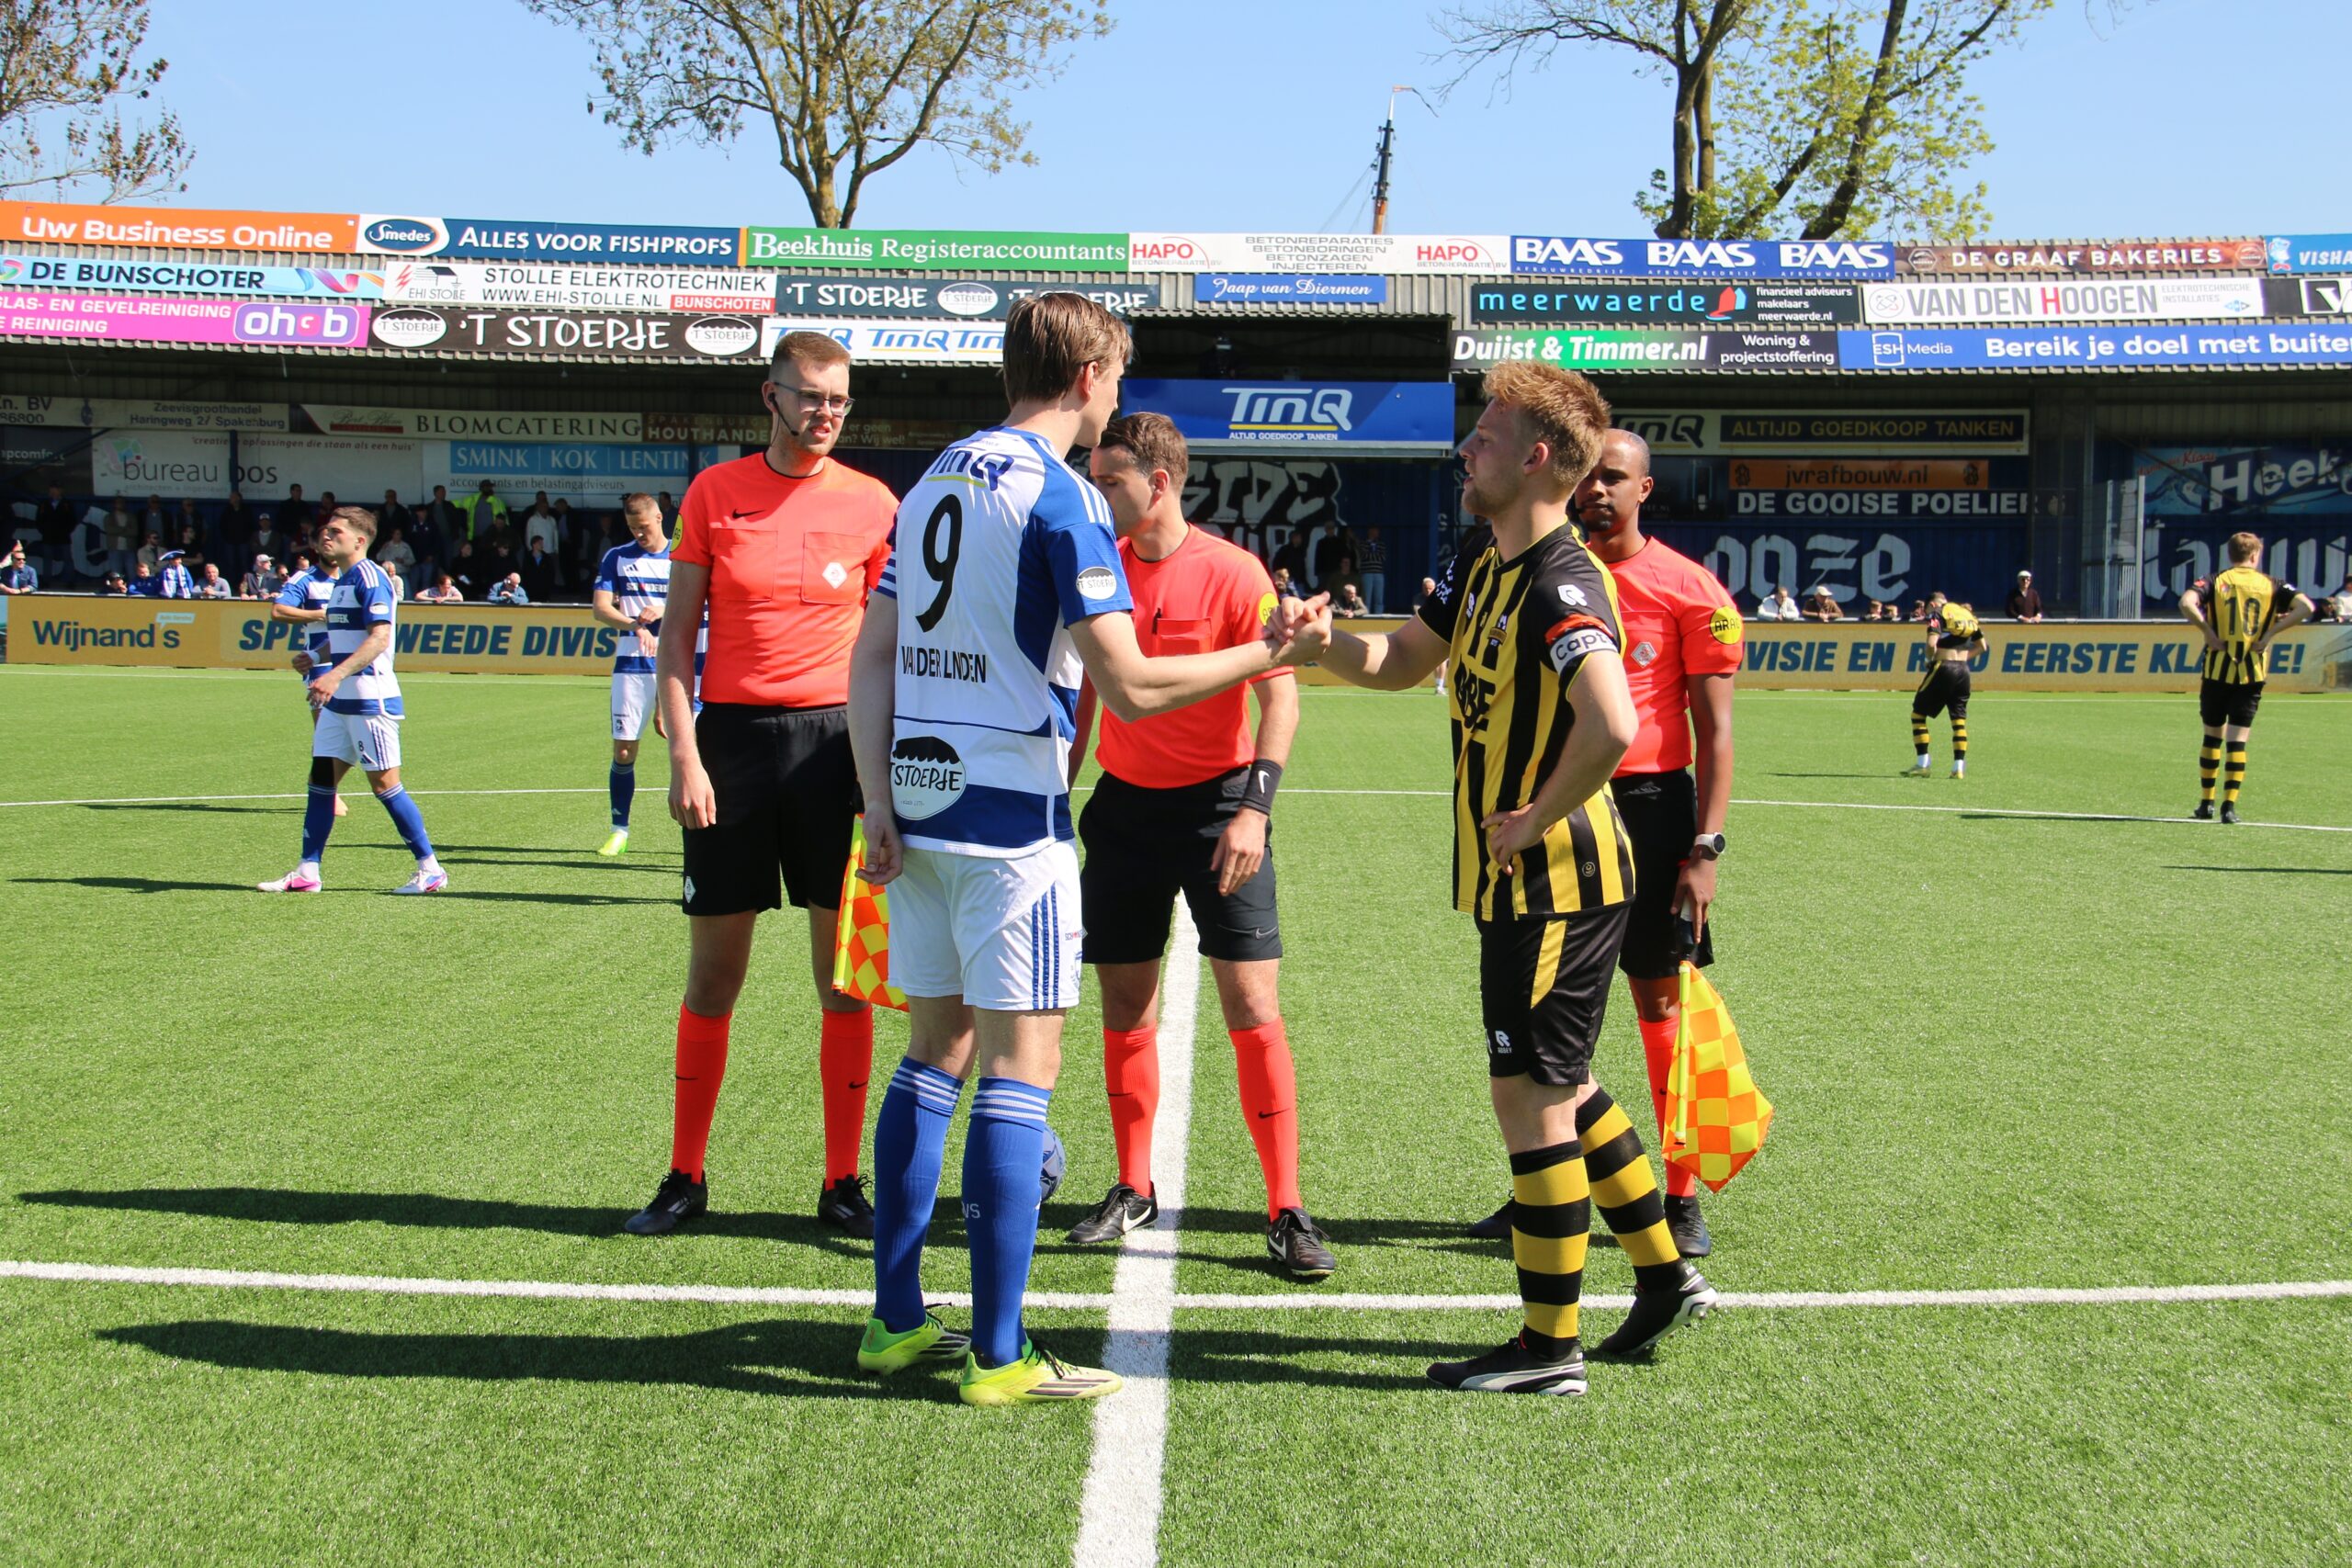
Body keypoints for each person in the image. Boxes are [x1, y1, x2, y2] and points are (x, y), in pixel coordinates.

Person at [845, 293, 1326, 1404]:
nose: (1115, 395)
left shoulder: (934, 479)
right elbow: (1133, 686)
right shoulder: (1059, 495)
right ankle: (999, 1355)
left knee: (931, 1054)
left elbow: (869, 657)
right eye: (1115, 374)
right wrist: (1268, 651)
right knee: (1019, 1071)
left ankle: (894, 1320)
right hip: (1010, 816)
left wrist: (873, 801)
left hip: (916, 802)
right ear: (1087, 375)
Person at [1294, 361, 1714, 1394]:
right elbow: (1401, 662)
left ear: (1536, 458)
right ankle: (1663, 1275)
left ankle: (1548, 1348)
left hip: (1560, 882)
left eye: (1483, 435)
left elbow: (1612, 722)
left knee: (1529, 1098)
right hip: (1517, 883)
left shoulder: (1565, 580)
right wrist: (1319, 645)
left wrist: (1534, 816)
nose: (1464, 448)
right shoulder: (1481, 558)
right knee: (1563, 1082)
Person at [622, 330, 897, 1247]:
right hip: (731, 747)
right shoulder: (714, 492)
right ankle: (684, 1174)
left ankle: (842, 1181)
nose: (826, 413)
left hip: (837, 752)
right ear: (770, 396)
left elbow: (891, 646)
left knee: (843, 983)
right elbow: (676, 640)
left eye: (839, 399)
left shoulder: (875, 503)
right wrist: (685, 756)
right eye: (811, 395)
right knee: (713, 977)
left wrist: (880, 775)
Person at [1062, 412, 1336, 1279]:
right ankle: (1133, 1185)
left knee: (1252, 1006)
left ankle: (1286, 1207)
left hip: (1221, 809)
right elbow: (1088, 698)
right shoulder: (1097, 566)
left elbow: (1280, 697)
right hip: (1124, 813)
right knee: (1125, 1006)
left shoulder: (1232, 570)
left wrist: (1254, 810)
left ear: (1159, 482)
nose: (1099, 495)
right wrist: (1056, 789)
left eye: (1110, 480)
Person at [1467, 429, 1738, 1259]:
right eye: (1589, 475)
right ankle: (1546, 1184)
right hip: (1563, 806)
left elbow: (1716, 732)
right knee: (1547, 1024)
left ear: (1644, 489)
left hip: (1651, 810)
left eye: (1615, 477)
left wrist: (1705, 847)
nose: (1597, 490)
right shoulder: (1539, 567)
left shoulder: (1690, 589)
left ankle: (1678, 1196)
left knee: (1660, 1006)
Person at [256, 507, 446, 896]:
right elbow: (345, 633)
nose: (325, 536)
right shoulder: (341, 581)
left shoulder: (371, 577)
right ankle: (308, 871)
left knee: (385, 784)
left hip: (369, 699)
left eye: (335, 531)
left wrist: (334, 674)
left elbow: (379, 638)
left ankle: (430, 869)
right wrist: (316, 655)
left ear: (360, 540)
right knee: (320, 781)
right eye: (325, 530)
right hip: (339, 701)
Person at [589, 492, 703, 857]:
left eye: (643, 526)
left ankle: (702, 836)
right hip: (633, 666)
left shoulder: (681, 556)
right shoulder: (617, 557)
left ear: (658, 519)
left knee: (696, 751)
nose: (639, 533)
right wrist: (634, 625)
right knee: (624, 749)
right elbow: (601, 609)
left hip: (683, 665)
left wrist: (666, 608)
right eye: (632, 527)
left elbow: (705, 601)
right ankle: (619, 829)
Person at [2179, 532, 2312, 823]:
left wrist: (2208, 632)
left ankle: (2206, 803)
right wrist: (2270, 633)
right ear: (2255, 555)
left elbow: (2187, 602)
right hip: (2252, 672)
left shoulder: (2215, 580)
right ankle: (2229, 807)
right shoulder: (2272, 584)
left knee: (2212, 736)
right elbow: (2307, 607)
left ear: (2230, 554)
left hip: (2216, 669)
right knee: (2238, 741)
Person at [275, 550, 348, 819]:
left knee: (347, 732)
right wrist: (319, 614)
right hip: (319, 662)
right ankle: (327, 791)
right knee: (326, 731)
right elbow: (278, 610)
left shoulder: (351, 578)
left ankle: (323, 785)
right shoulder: (305, 579)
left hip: (349, 662)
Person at [1908, 600, 1984, 779]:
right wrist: (1963, 659)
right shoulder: (1966, 616)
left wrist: (1929, 660)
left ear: (1933, 604)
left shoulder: (1938, 614)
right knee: (1958, 721)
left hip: (1943, 667)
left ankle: (1923, 764)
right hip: (1963, 670)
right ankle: (1958, 768)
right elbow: (1982, 646)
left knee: (1918, 715)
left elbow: (1931, 644)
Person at [36, 483, 78, 582]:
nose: (53, 493)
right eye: (51, 491)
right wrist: (44, 531)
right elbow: (38, 519)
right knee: (47, 559)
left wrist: (66, 531)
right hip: (48, 536)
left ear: (60, 491)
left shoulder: (67, 504)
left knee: (67, 559)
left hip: (63, 536)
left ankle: (70, 581)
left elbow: (72, 520)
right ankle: (46, 581)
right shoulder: (44, 504)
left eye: (55, 490)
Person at [457, 479, 507, 545]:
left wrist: (505, 535)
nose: (488, 488)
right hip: (475, 537)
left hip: (491, 537)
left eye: (490, 487)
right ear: (481, 488)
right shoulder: (472, 500)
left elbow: (505, 520)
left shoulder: (498, 502)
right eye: (486, 487)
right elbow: (457, 503)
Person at [517, 534, 560, 604]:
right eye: (539, 543)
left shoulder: (547, 558)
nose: (542, 545)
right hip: (531, 590)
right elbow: (524, 573)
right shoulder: (527, 557)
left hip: (544, 590)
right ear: (534, 545)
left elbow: (551, 573)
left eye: (542, 543)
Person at [1358, 525, 1390, 613]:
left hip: (1379, 573)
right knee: (1366, 598)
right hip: (1367, 573)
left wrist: (1371, 555)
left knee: (1379, 599)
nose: (1377, 533)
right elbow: (1364, 556)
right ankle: (1365, 614)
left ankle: (1378, 615)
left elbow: (1382, 557)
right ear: (1370, 531)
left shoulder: (1381, 544)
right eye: (1375, 530)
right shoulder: (1363, 543)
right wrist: (1375, 555)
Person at [378, 526, 417, 591]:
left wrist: (403, 561)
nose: (398, 536)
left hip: (402, 573)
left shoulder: (405, 546)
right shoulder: (387, 546)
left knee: (407, 592)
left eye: (399, 534)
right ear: (392, 535)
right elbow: (379, 558)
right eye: (396, 534)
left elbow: (412, 560)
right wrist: (383, 549)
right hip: (389, 575)